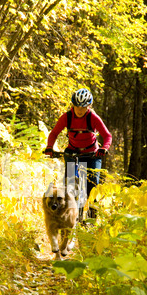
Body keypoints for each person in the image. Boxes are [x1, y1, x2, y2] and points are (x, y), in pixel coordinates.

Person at [44, 88, 112, 218]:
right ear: (72, 106)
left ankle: (91, 219)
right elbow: (54, 133)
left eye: (83, 107)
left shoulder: (93, 118)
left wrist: (104, 148)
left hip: (92, 154)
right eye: (77, 107)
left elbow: (107, 136)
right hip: (72, 153)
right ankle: (70, 217)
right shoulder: (67, 117)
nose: (80, 110)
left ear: (89, 106)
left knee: (92, 187)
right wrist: (49, 147)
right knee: (70, 186)